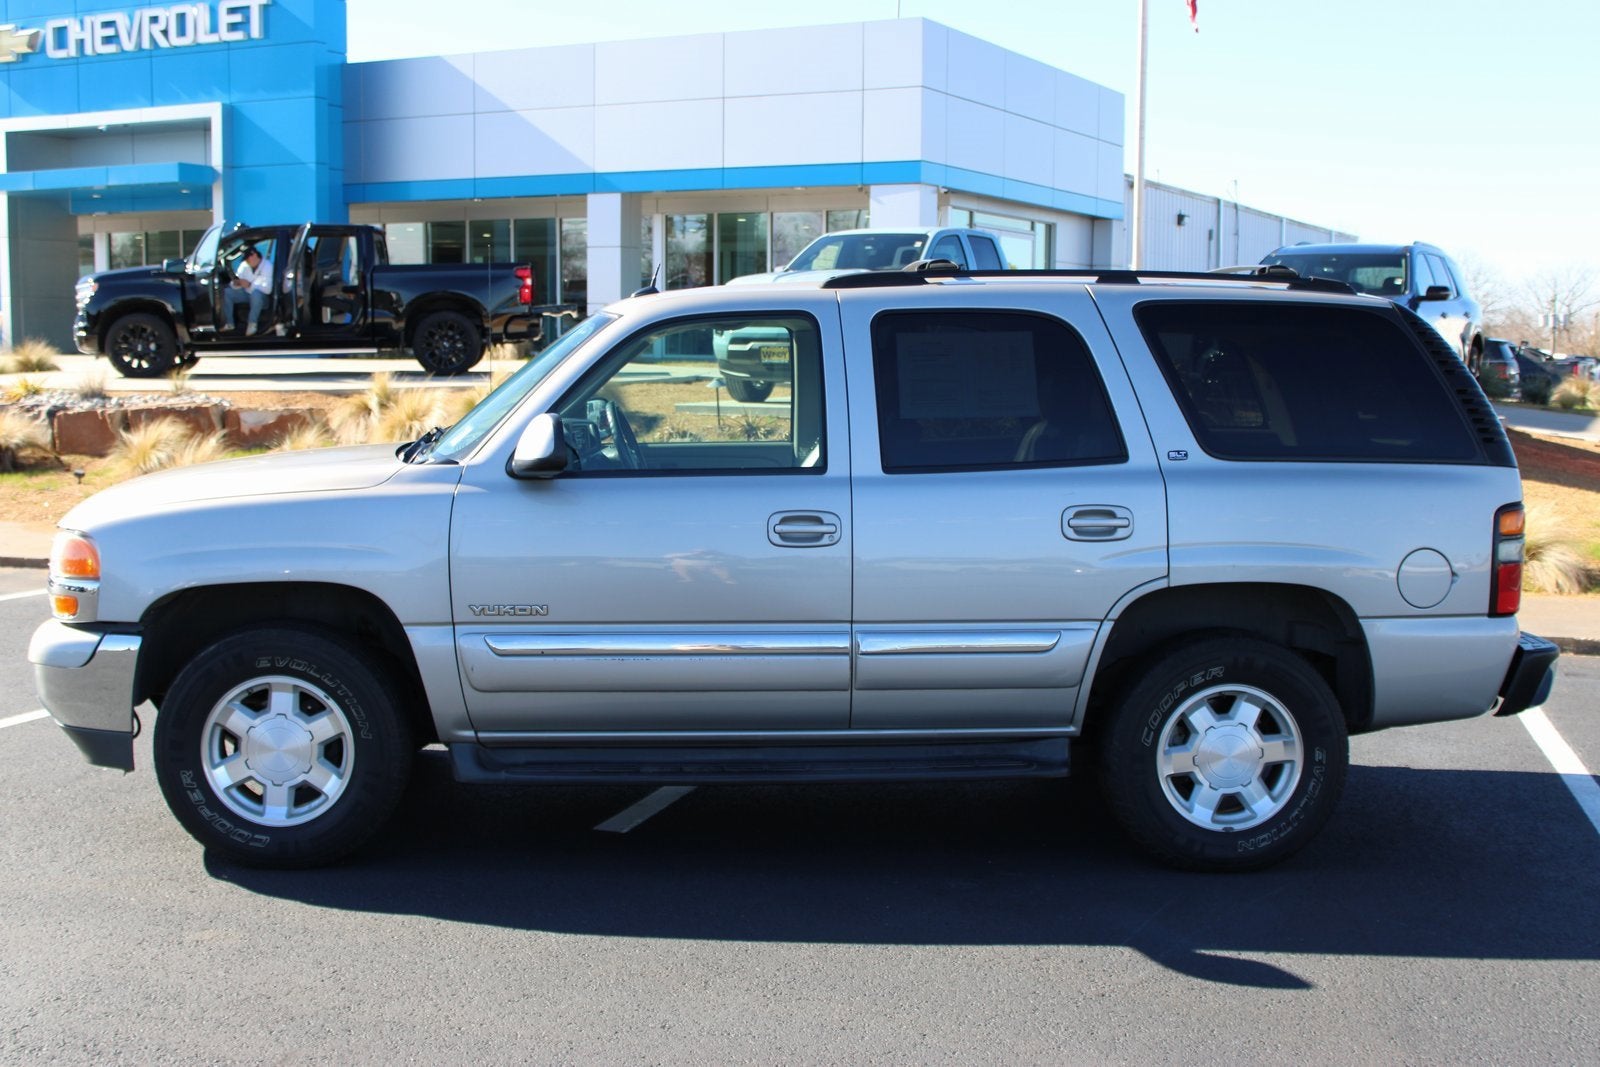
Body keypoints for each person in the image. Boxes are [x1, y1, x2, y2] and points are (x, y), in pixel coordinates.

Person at [224, 245, 273, 336]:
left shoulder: (267, 266)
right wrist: (236, 283)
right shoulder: (244, 265)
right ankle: (230, 323)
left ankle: (252, 324)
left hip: (262, 298)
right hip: (247, 294)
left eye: (248, 258)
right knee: (228, 292)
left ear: (254, 255)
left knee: (256, 293)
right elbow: (237, 280)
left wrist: (251, 285)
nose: (247, 261)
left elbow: (268, 289)